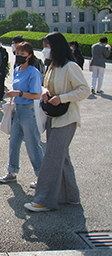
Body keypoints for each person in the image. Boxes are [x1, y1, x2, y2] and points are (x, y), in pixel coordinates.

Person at [25, 32, 89, 212]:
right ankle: (70, 196)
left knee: (52, 158)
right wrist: (45, 91)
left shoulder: (70, 67)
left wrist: (63, 98)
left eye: (47, 46)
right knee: (62, 158)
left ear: (56, 47)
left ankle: (44, 200)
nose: (45, 50)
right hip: (53, 118)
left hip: (66, 118)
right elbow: (46, 84)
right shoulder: (53, 66)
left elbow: (84, 90)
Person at [0, 42, 44, 186]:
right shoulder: (17, 69)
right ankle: (11, 172)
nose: (19, 56)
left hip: (28, 111)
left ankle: (42, 176)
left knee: (33, 145)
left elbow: (37, 95)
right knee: (13, 143)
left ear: (30, 56)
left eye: (22, 54)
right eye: (17, 53)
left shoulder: (33, 72)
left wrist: (19, 93)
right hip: (18, 109)